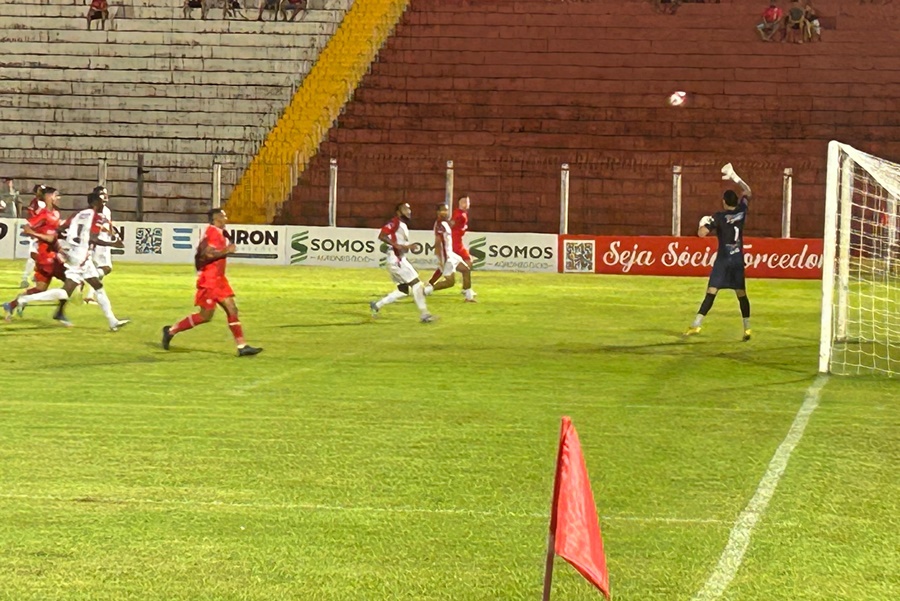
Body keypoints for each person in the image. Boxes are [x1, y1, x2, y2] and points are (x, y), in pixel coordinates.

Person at [12, 192, 129, 331]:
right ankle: (24, 299)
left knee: (97, 285)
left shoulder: (78, 214)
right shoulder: (96, 217)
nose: (103, 204)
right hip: (81, 257)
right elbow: (93, 238)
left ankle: (112, 321)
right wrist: (112, 244)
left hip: (76, 254)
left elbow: (61, 229)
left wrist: (70, 243)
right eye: (101, 201)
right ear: (93, 203)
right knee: (66, 292)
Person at [161, 208, 262, 356]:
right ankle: (171, 330)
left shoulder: (218, 233)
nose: (226, 219)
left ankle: (242, 346)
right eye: (224, 216)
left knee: (232, 309)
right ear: (217, 219)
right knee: (205, 316)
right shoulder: (212, 232)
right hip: (209, 280)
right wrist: (226, 251)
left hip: (219, 280)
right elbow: (207, 254)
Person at [683, 164, 753, 341]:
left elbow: (702, 234)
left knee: (711, 292)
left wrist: (702, 222)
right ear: (736, 202)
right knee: (741, 294)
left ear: (724, 202)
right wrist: (735, 178)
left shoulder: (719, 217)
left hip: (723, 261)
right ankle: (747, 329)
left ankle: (696, 325)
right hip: (737, 261)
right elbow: (748, 191)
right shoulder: (742, 212)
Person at [2, 187, 68, 324]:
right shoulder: (43, 214)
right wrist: (36, 234)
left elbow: (53, 236)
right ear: (49, 196)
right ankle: (60, 313)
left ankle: (11, 305)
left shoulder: (56, 213)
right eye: (56, 195)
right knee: (72, 281)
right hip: (45, 257)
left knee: (40, 289)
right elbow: (27, 228)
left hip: (52, 254)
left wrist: (59, 247)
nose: (58, 198)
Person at [369, 202, 435, 323]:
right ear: (398, 212)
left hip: (397, 259)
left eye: (409, 209)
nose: (409, 211)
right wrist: (396, 245)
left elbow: (400, 245)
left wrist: (407, 247)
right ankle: (425, 314)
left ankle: (377, 305)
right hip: (396, 260)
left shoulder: (402, 225)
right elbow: (382, 235)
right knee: (416, 284)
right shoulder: (395, 222)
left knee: (403, 290)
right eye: (405, 209)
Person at [424, 203, 476, 302]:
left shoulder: (444, 223)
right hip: (446, 256)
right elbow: (438, 242)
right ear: (438, 212)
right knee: (450, 283)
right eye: (443, 210)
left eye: (446, 210)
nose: (445, 212)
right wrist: (441, 258)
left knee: (466, 270)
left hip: (450, 254)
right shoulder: (440, 224)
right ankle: (426, 291)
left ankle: (468, 297)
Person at [82, 186, 114, 304]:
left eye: (106, 194)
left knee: (96, 269)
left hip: (102, 241)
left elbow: (108, 224)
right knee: (105, 268)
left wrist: (112, 232)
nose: (105, 196)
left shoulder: (106, 210)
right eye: (102, 194)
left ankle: (88, 294)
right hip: (99, 243)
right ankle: (88, 291)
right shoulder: (96, 210)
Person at [19, 184, 46, 288]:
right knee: (33, 255)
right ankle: (25, 278)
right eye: (40, 190)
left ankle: (36, 275)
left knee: (42, 256)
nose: (42, 192)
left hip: (43, 233)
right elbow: (32, 216)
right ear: (36, 192)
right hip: (37, 232)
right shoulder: (35, 202)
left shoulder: (45, 203)